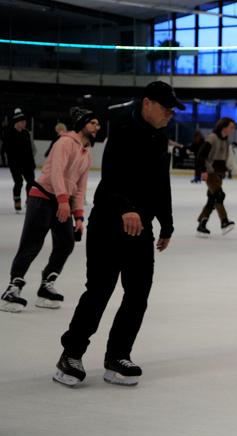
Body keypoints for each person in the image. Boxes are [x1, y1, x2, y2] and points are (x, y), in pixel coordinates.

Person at [55, 81, 182, 387]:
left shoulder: (158, 136)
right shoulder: (123, 128)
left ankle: (117, 356)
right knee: (99, 290)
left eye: (172, 110)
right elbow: (112, 177)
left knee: (138, 295)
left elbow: (159, 182)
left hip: (142, 229)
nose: (170, 114)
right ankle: (70, 354)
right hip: (110, 223)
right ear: (148, 103)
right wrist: (126, 208)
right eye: (166, 108)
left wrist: (166, 222)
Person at [0, 108, 98, 313]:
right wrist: (62, 200)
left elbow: (80, 189)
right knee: (32, 244)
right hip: (42, 198)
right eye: (93, 123)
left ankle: (46, 285)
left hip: (60, 201)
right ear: (82, 124)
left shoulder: (86, 154)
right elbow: (56, 173)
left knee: (66, 243)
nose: (97, 127)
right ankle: (13, 288)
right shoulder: (65, 143)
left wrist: (78, 215)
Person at [195, 117, 237, 236]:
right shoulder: (212, 138)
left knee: (212, 199)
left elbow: (229, 161)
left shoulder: (226, 141)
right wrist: (203, 171)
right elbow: (200, 155)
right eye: (231, 127)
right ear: (224, 127)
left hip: (219, 174)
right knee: (219, 195)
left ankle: (202, 224)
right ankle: (224, 222)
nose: (233, 129)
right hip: (210, 172)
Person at [4, 108, 36, 212]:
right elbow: (7, 150)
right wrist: (11, 162)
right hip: (15, 164)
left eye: (25, 121)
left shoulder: (26, 133)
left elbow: (30, 150)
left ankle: (29, 200)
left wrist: (32, 162)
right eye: (22, 122)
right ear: (17, 122)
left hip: (28, 163)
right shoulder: (9, 133)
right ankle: (17, 200)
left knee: (31, 182)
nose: (25, 123)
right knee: (19, 182)